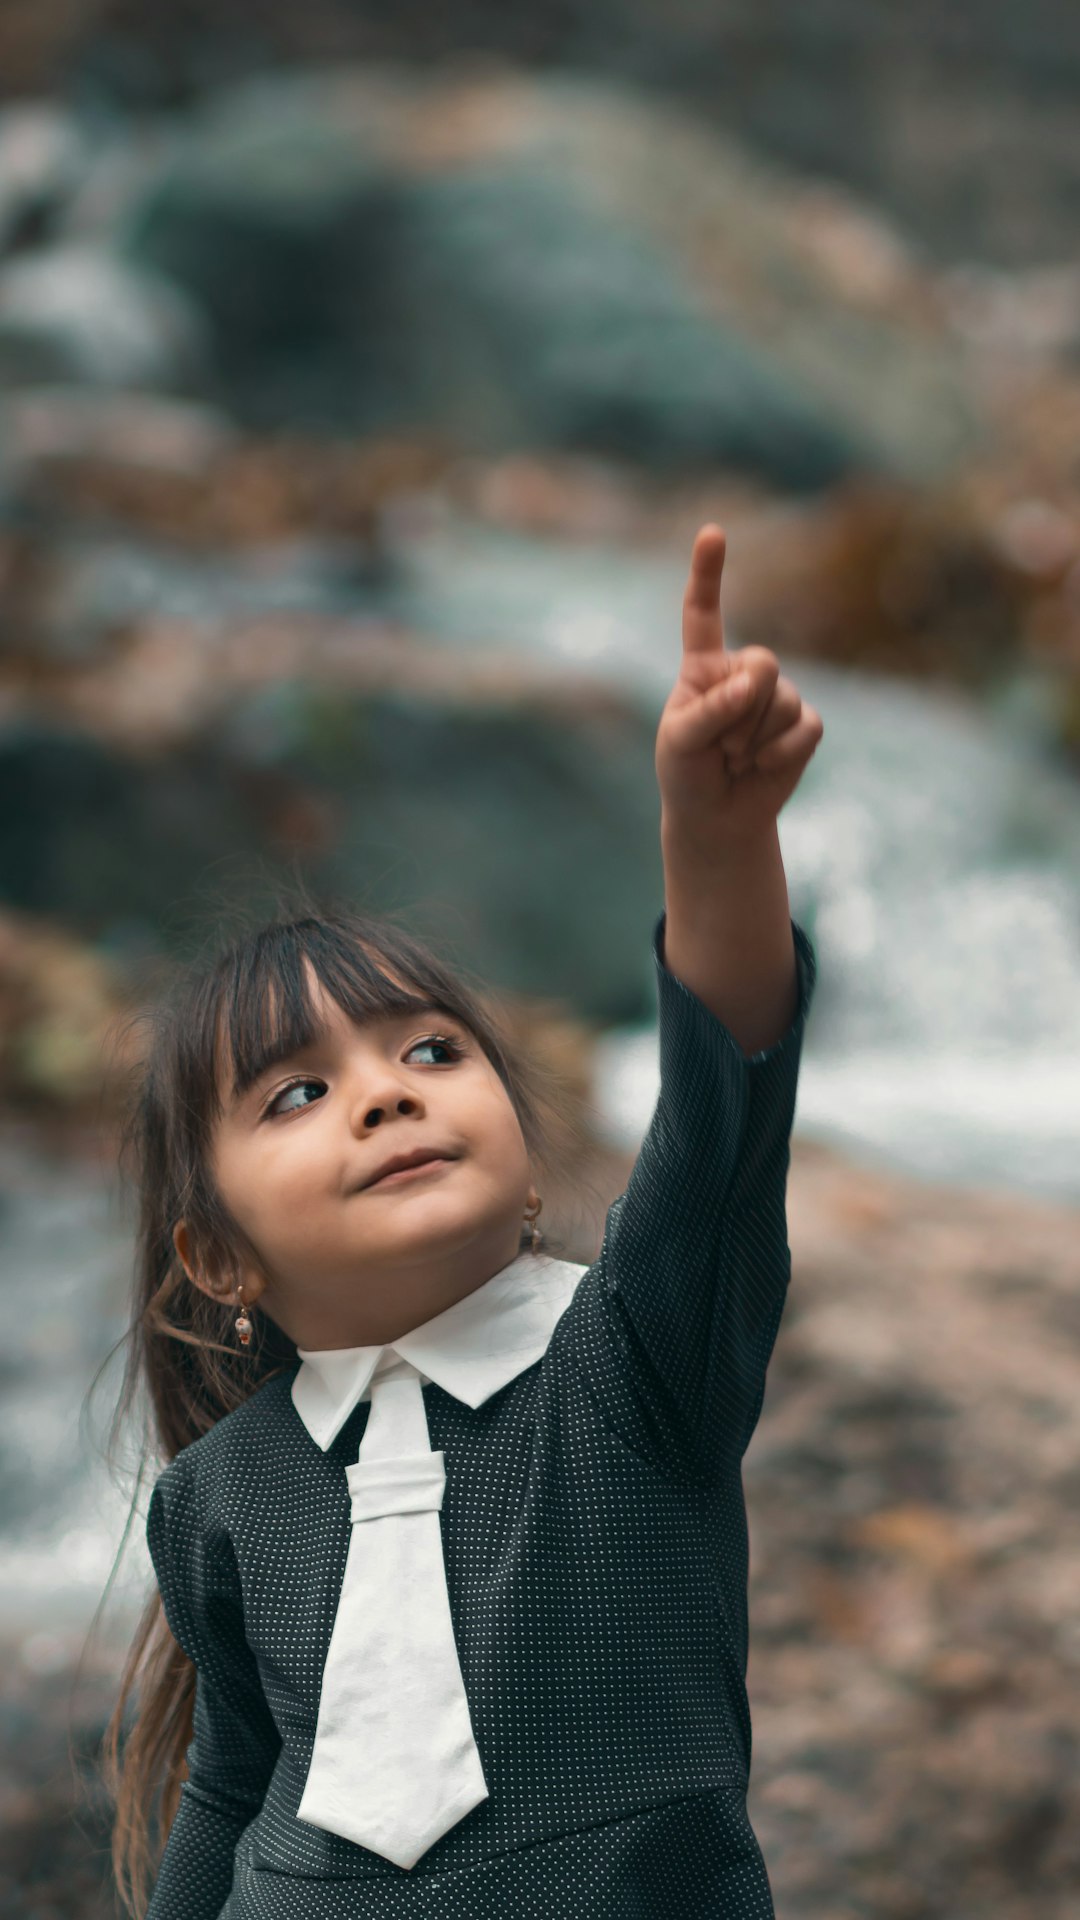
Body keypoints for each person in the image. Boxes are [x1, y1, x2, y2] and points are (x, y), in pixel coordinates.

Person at [101, 523, 824, 1918]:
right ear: (217, 1257)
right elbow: (235, 1785)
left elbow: (723, 1130)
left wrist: (715, 844)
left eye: (430, 1053)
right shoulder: (216, 1497)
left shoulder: (632, 1362)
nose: (386, 1096)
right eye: (298, 1091)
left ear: (528, 1150)